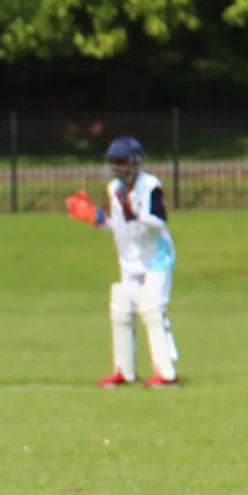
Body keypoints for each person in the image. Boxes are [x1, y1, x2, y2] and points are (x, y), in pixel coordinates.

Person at [66, 136, 179, 387]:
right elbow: (120, 227)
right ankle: (124, 371)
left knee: (153, 310)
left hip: (157, 259)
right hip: (130, 261)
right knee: (122, 311)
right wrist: (95, 218)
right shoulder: (113, 189)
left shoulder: (151, 186)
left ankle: (167, 374)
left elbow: (159, 221)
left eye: (123, 162)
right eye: (114, 162)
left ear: (136, 163)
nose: (118, 168)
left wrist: (136, 214)